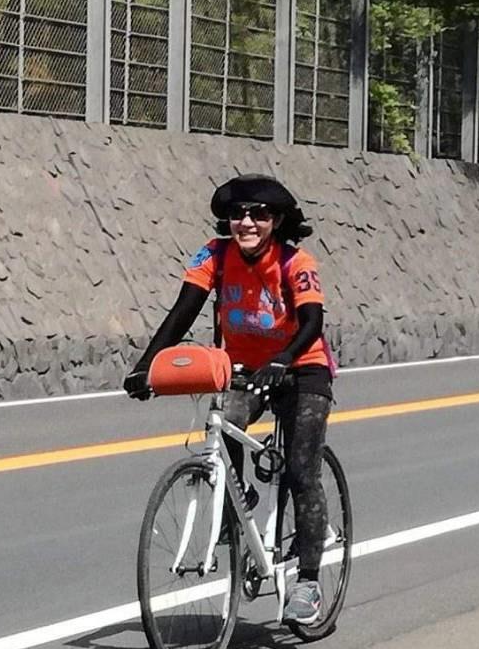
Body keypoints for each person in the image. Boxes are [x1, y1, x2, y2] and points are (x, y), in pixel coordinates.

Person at [123, 175, 334, 625]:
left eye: (259, 214)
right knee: (225, 423)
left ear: (276, 221)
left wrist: (283, 360)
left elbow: (312, 321)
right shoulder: (215, 255)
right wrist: (146, 365)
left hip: (301, 365)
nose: (247, 222)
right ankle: (234, 501)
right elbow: (184, 309)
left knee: (300, 468)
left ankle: (309, 582)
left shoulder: (296, 261)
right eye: (238, 214)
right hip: (243, 367)